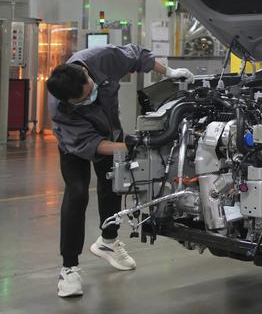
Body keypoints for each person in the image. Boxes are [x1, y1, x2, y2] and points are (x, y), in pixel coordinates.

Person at [46, 44, 194, 298]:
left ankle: (108, 241)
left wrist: (168, 72)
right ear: (69, 102)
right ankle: (68, 269)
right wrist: (130, 146)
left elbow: (137, 56)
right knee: (77, 192)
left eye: (91, 87)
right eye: (85, 98)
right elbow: (89, 144)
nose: (91, 93)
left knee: (114, 182)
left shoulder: (100, 59)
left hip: (109, 131)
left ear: (86, 74)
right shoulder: (60, 110)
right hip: (74, 145)